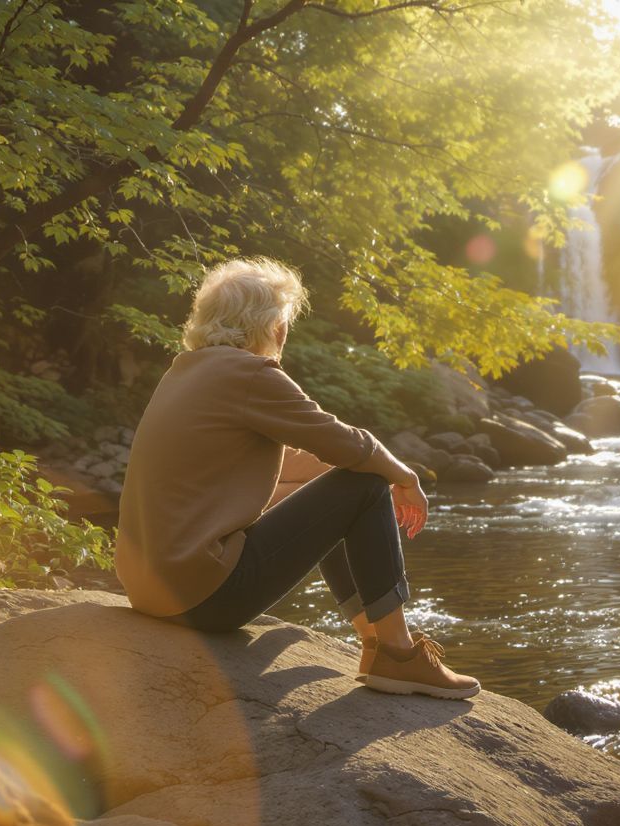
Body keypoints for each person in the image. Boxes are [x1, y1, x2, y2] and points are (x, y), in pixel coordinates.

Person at [115, 257, 479, 700]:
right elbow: (346, 442)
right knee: (363, 484)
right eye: (284, 321)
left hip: (152, 592)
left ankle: (372, 641)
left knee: (351, 482)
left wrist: (358, 475)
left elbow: (294, 462)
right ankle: (398, 653)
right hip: (204, 599)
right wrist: (403, 476)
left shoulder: (186, 370)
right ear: (272, 326)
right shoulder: (248, 373)